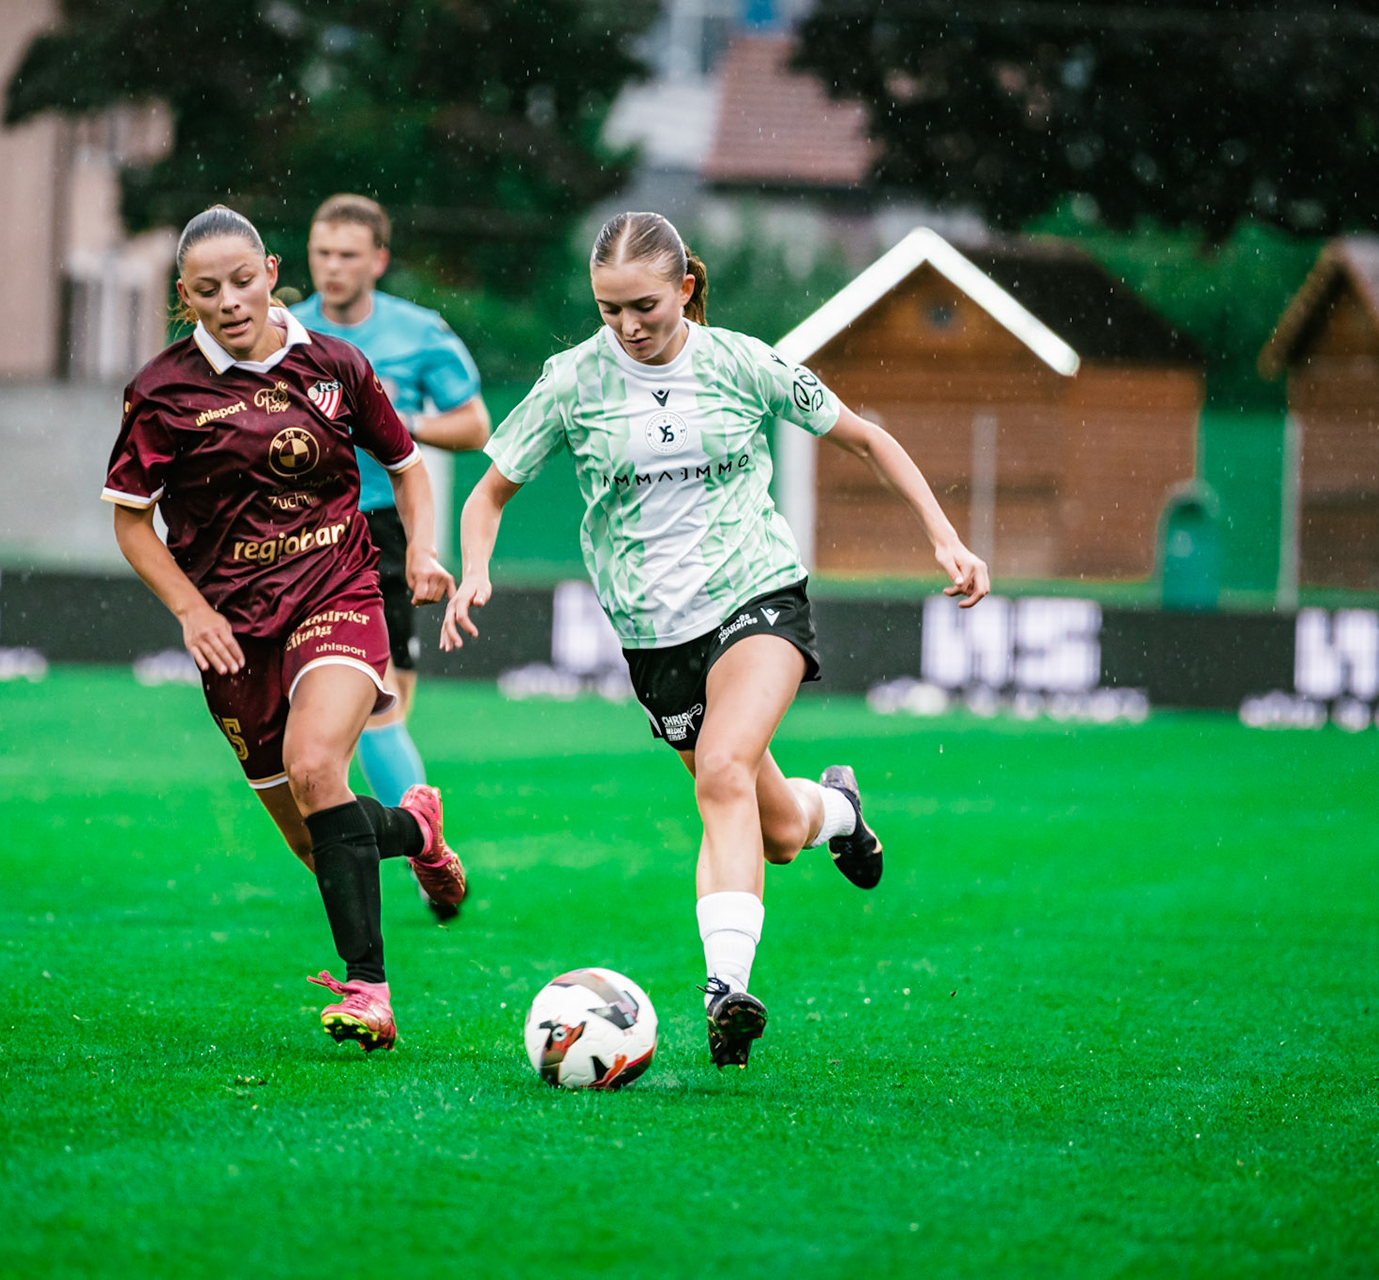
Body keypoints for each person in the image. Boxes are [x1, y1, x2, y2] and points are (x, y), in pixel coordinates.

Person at [440, 212, 990, 1069]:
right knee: (771, 827)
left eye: (645, 306)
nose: (626, 326)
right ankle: (840, 810)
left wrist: (945, 537)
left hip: (755, 592)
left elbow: (867, 438)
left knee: (726, 771)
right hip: (654, 638)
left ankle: (724, 992)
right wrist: (476, 567)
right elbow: (487, 495)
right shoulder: (571, 382)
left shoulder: (740, 361)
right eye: (608, 308)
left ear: (686, 288)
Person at [103, 205, 468, 1053]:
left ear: (270, 271)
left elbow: (409, 466)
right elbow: (130, 521)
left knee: (317, 767)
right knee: (319, 847)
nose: (229, 300)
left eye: (241, 280)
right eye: (206, 290)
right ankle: (415, 831)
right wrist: (192, 611)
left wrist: (423, 553)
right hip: (232, 631)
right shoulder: (161, 391)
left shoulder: (335, 363)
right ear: (184, 297)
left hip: (338, 590)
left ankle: (371, 992)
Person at [288, 195, 491, 922]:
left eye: (348, 254)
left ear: (377, 259)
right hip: (298, 532)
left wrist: (400, 425)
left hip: (381, 531)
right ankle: (414, 848)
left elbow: (474, 426)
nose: (333, 267)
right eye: (322, 252)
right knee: (339, 719)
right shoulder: (287, 332)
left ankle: (414, 853)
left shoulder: (417, 332)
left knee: (382, 707)